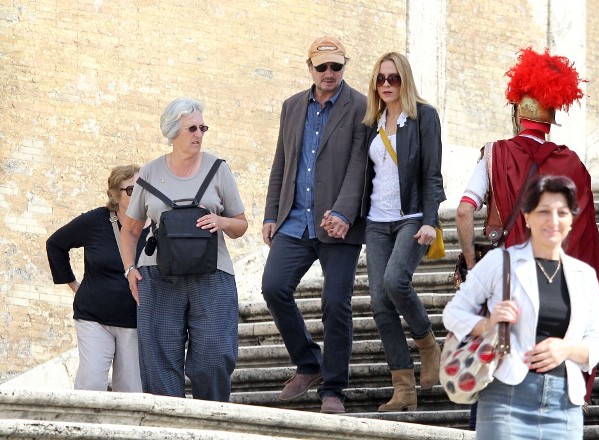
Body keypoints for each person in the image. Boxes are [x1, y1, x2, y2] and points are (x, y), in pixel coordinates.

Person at [455, 48, 599, 423]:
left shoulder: (495, 154)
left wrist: (472, 266)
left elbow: (464, 211)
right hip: (556, 292)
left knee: (494, 362)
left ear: (517, 111)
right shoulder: (574, 165)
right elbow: (584, 243)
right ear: (551, 116)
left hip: (506, 281)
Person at [444, 175, 599, 440]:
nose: (553, 220)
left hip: (564, 405)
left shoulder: (583, 275)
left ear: (571, 220)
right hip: (506, 399)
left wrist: (565, 349)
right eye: (543, 211)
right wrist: (487, 324)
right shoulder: (501, 262)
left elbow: (597, 338)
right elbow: (453, 313)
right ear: (527, 217)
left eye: (562, 213)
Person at [261, 36, 367, 414]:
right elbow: (281, 162)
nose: (329, 73)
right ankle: (309, 363)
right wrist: (271, 214)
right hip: (294, 219)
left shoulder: (361, 107)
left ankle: (334, 389)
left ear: (344, 67)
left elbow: (360, 165)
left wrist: (344, 213)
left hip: (339, 225)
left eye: (336, 66)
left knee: (335, 303)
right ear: (310, 68)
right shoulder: (292, 106)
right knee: (273, 287)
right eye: (322, 67)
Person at [119, 97, 248, 402]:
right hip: (158, 276)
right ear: (172, 131)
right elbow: (130, 230)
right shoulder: (149, 173)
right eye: (192, 128)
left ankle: (211, 419)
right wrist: (130, 269)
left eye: (203, 128)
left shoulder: (218, 169)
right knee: (158, 361)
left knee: (215, 356)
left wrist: (221, 221)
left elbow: (241, 224)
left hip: (212, 274)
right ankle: (169, 424)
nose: (199, 134)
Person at [360, 52, 445, 412]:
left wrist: (430, 219)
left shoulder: (424, 117)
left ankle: (428, 344)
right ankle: (404, 388)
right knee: (380, 303)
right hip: (376, 222)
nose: (386, 84)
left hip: (412, 216)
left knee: (395, 281)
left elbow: (432, 173)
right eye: (380, 79)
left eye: (393, 78)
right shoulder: (372, 122)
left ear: (404, 80)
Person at [46, 165, 147, 392]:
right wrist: (74, 284)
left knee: (131, 390)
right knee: (91, 383)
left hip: (136, 321)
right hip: (94, 318)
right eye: (131, 190)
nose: (139, 193)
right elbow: (55, 245)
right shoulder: (95, 221)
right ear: (115, 194)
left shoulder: (155, 225)